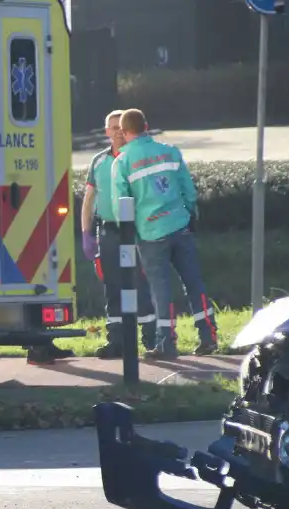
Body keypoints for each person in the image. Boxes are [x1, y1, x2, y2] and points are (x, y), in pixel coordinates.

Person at [111, 108, 217, 360]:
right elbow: (188, 188)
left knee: (161, 289)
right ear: (146, 126)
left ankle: (167, 344)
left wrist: (127, 234)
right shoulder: (170, 152)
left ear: (124, 132)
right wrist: (190, 214)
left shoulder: (122, 162)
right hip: (179, 225)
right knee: (194, 282)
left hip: (150, 233)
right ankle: (208, 336)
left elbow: (120, 206)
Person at [81, 109, 157, 358]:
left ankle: (151, 340)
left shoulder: (137, 158)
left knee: (141, 284)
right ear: (106, 132)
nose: (118, 132)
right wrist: (86, 233)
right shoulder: (99, 161)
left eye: (121, 127)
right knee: (112, 287)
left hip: (137, 231)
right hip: (109, 231)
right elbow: (89, 198)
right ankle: (117, 341)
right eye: (113, 128)